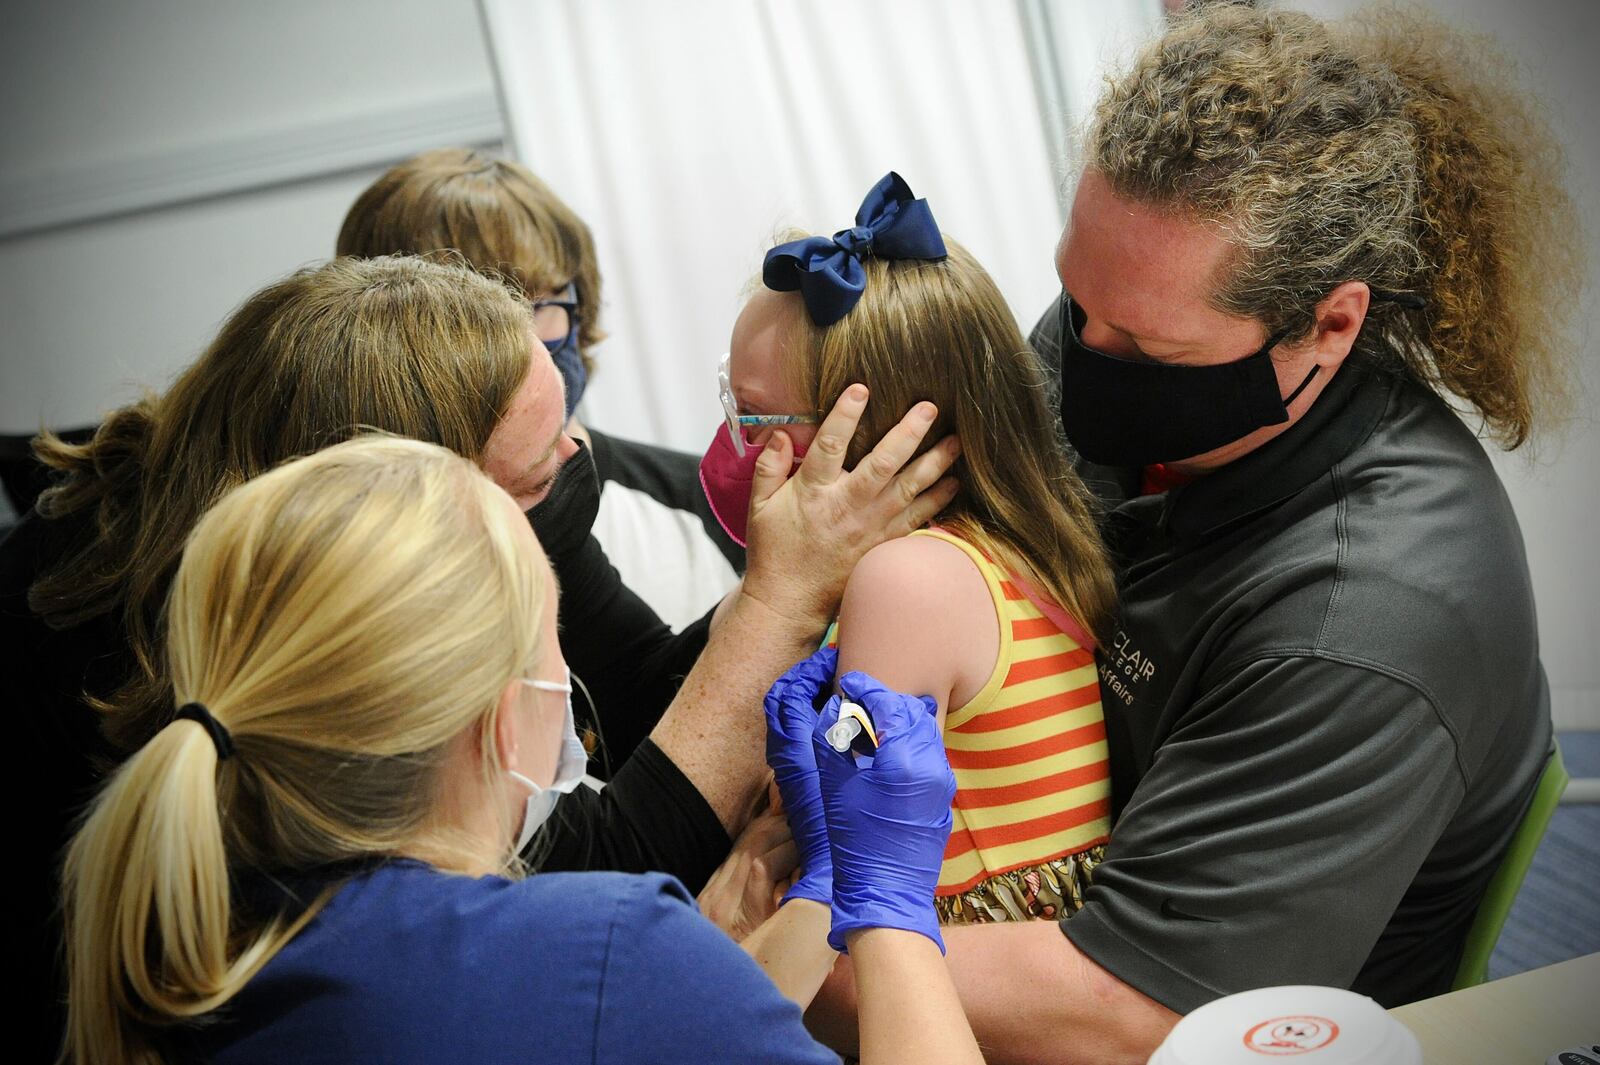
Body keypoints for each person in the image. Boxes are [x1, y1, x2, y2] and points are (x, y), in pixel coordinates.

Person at [804, 7, 1581, 1062]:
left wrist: (784, 946)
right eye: (1080, 302)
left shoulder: (1369, 611)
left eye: (1150, 347)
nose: (1081, 353)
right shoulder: (1120, 324)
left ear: (1331, 324)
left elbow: (1127, 1013)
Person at [2, 255, 959, 1059]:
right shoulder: (615, 953)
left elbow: (638, 689)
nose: (582, 453)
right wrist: (881, 914)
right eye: (540, 472)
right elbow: (600, 862)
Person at [718, 172, 1121, 924]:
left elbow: (848, 898)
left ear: (873, 438)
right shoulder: (1007, 553)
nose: (738, 445)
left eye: (752, 415)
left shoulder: (910, 583)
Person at [337, 147, 743, 631]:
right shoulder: (363, 547)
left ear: (581, 304)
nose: (520, 345)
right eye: (471, 321)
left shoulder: (704, 499)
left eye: (538, 304)